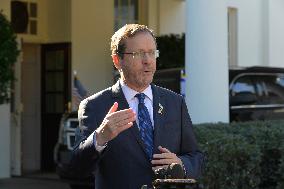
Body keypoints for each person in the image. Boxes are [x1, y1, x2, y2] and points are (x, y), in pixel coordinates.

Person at [71, 24, 203, 189]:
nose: (147, 61)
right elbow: (77, 169)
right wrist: (100, 138)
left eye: (151, 53)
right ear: (117, 60)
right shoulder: (94, 106)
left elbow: (195, 157)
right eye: (138, 54)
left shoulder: (175, 102)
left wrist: (181, 164)